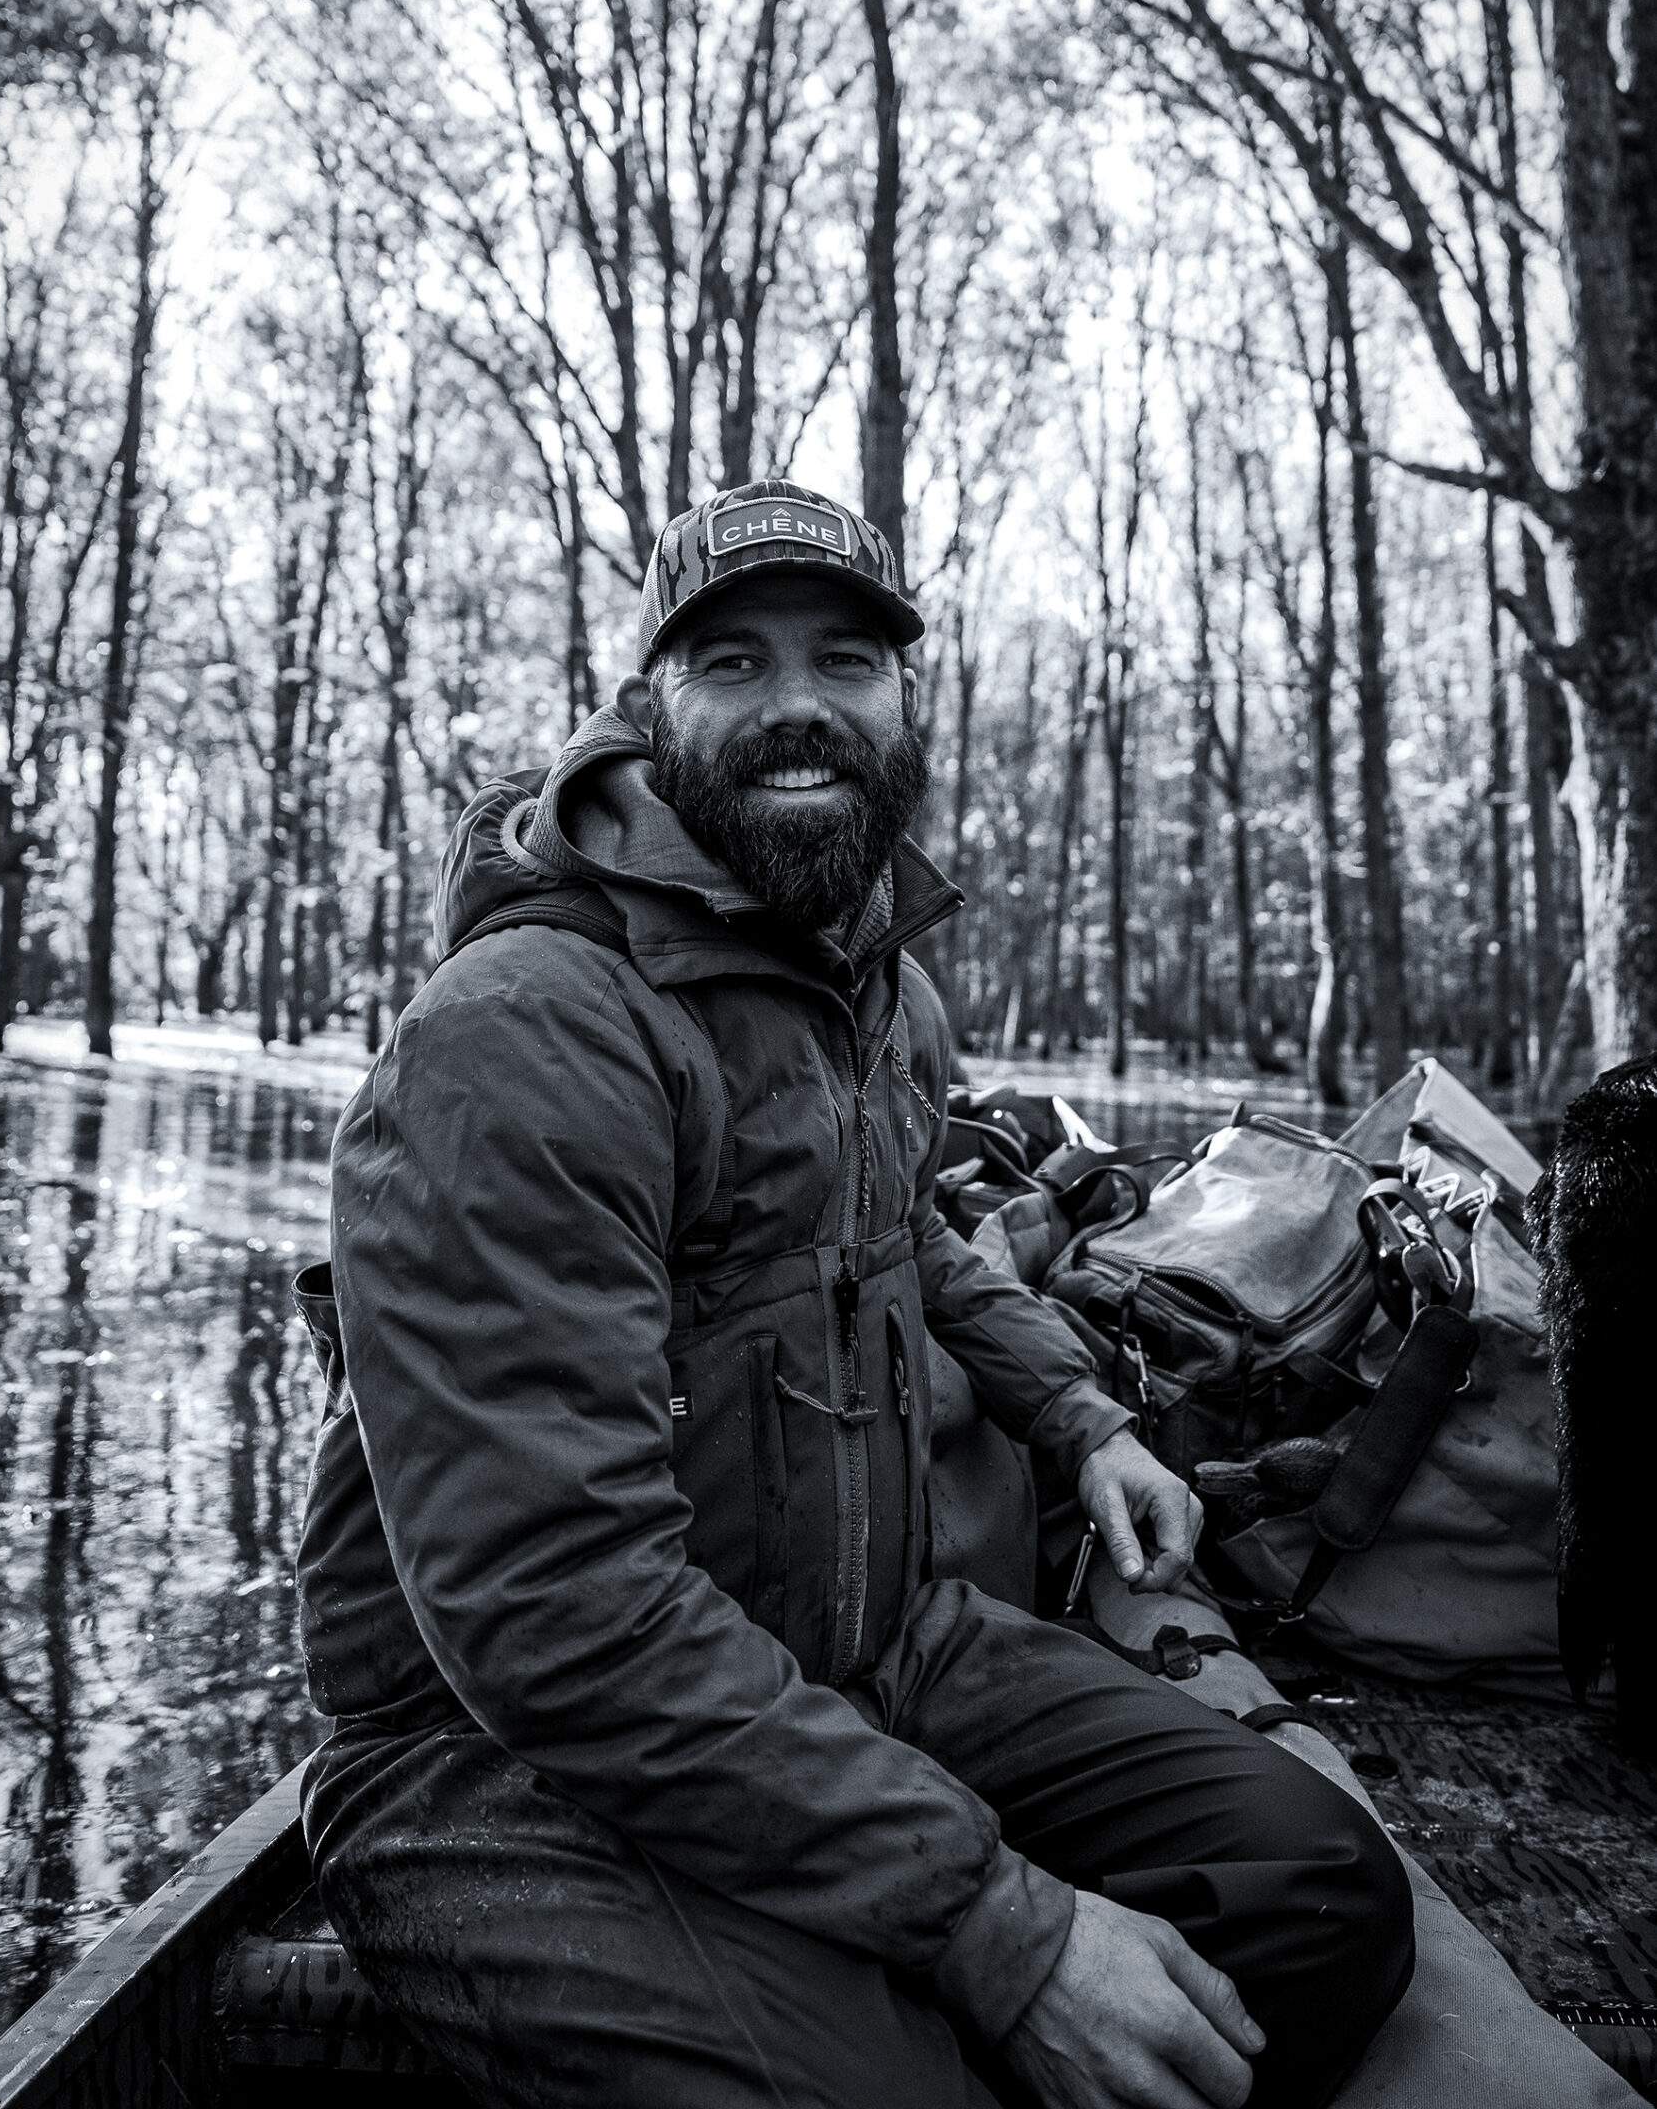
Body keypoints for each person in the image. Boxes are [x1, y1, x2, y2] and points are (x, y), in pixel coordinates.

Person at [294, 478, 1413, 2109]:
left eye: (847, 659)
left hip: (871, 1650)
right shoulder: (526, 1031)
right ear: (647, 706)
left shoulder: (877, 991)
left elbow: (919, 1241)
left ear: (903, 697)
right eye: (732, 661)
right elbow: (553, 1610)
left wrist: (1083, 1416)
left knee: (1312, 1903)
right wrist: (1002, 1928)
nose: (799, 704)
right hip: (502, 1760)